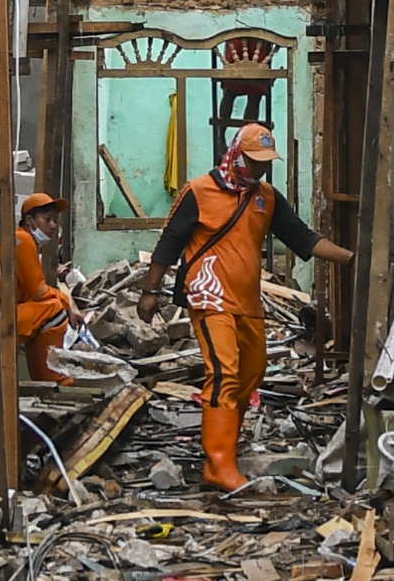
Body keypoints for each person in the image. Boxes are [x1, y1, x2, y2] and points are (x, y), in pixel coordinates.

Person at [140, 125, 350, 492]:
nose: (260, 171)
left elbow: (302, 238)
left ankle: (226, 451)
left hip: (248, 303)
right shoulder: (199, 191)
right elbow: (169, 242)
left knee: (251, 373)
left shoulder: (266, 198)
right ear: (237, 155)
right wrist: (150, 291)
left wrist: (352, 260)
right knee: (224, 372)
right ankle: (219, 465)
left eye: (266, 164)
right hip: (208, 296)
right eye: (254, 163)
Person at [0, 190, 77, 382]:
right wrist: (65, 301)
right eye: (48, 219)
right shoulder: (23, 241)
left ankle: (43, 382)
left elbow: (32, 292)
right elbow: (38, 292)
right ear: (30, 220)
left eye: (55, 220)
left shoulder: (22, 240)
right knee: (54, 310)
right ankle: (56, 381)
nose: (53, 225)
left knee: (45, 313)